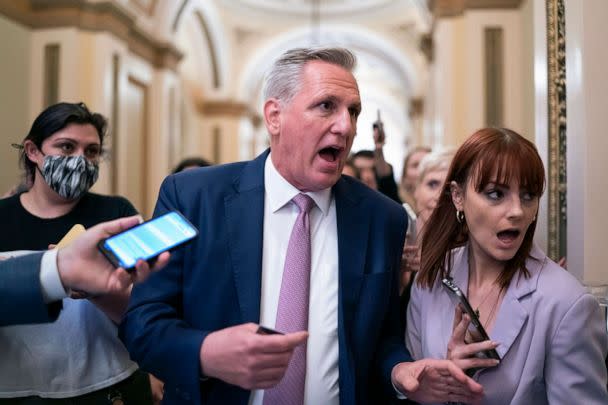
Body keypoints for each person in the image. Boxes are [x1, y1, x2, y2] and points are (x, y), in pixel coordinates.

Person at [120, 47, 482, 405]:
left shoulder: (381, 218)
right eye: (326, 106)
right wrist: (205, 353)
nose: (346, 126)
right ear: (274, 116)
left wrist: (400, 371)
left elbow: (380, 338)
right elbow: (141, 323)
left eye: (353, 111)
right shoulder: (192, 198)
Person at [406, 127, 608, 404]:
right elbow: (414, 389)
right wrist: (442, 382)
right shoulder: (430, 280)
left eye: (528, 195)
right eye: (495, 194)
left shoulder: (566, 303)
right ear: (458, 196)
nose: (517, 211)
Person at [0, 102, 154, 404]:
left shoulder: (116, 214)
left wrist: (96, 289)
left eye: (92, 151)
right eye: (66, 147)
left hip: (109, 387)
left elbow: (144, 313)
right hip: (14, 390)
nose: (80, 160)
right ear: (33, 151)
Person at [0, 215, 169, 327]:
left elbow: (138, 313)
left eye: (90, 157)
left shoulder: (116, 209)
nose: (79, 160)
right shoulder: (6, 215)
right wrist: (62, 268)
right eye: (68, 156)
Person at [399, 149, 454, 333]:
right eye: (432, 184)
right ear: (416, 190)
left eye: (448, 188)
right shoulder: (396, 241)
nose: (439, 195)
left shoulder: (472, 252)